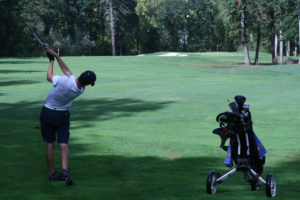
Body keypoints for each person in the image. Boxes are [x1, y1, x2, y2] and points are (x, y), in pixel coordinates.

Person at [40, 48, 96, 185]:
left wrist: (52, 61)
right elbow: (67, 71)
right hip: (62, 114)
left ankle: (52, 173)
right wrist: (56, 56)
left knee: (50, 143)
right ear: (88, 83)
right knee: (63, 143)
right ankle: (64, 171)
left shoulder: (64, 81)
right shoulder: (80, 89)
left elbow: (49, 76)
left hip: (48, 112)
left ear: (80, 75)